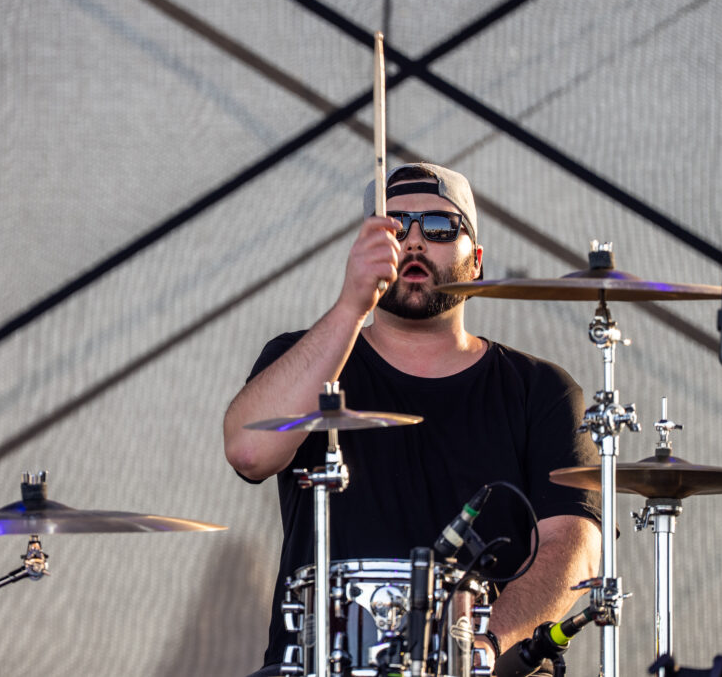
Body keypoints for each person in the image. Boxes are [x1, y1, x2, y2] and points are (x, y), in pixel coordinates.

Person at [223, 163, 602, 677]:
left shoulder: (541, 390)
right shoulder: (304, 361)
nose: (416, 241)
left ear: (477, 261)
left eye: (441, 227)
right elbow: (248, 452)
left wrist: (482, 645)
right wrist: (352, 303)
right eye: (396, 227)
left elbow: (574, 546)